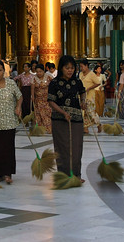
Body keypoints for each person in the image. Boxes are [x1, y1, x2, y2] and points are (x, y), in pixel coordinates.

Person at [48, 55, 86, 183]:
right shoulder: (54, 83)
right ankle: (63, 176)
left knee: (76, 147)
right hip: (59, 119)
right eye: (67, 68)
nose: (70, 70)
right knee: (62, 147)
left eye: (72, 68)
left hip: (76, 119)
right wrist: (62, 112)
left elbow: (82, 92)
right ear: (61, 68)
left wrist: (83, 102)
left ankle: (76, 176)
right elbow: (51, 102)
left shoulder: (77, 82)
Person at [79, 59, 102, 133]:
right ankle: (85, 128)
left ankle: (98, 124)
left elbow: (98, 83)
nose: (81, 68)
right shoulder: (80, 74)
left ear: (86, 66)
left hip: (90, 96)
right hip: (82, 96)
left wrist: (89, 88)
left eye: (82, 66)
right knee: (84, 113)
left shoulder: (91, 74)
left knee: (90, 112)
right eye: (80, 67)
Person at [31, 64, 52, 133]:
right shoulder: (34, 78)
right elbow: (32, 89)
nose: (39, 73)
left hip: (47, 99)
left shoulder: (48, 76)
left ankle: (49, 128)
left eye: (40, 71)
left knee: (48, 113)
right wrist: (33, 97)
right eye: (37, 72)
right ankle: (41, 129)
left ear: (43, 71)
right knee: (39, 114)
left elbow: (54, 85)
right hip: (39, 100)